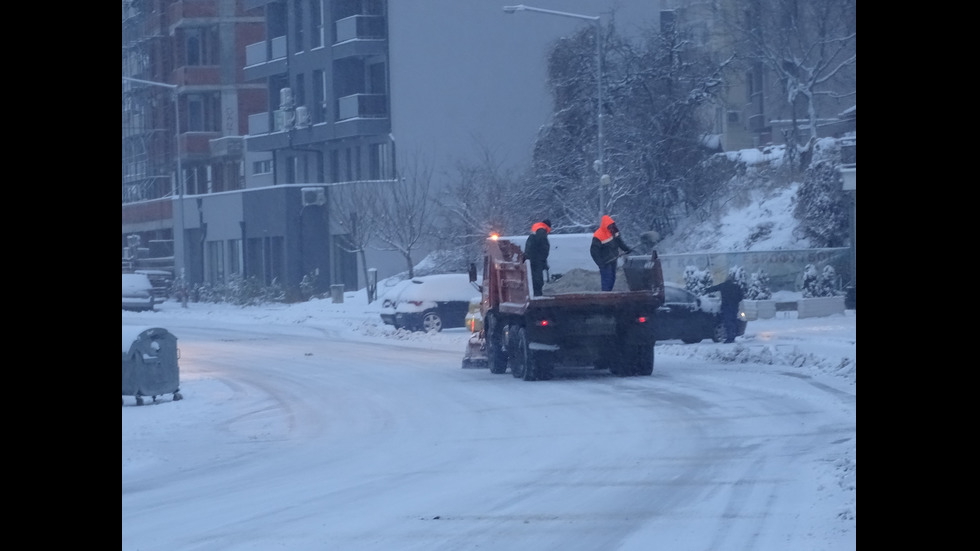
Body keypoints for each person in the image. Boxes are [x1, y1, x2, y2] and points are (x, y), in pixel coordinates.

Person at [589, 215, 633, 291]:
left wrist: (626, 249)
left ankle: (608, 294)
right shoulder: (599, 235)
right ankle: (605, 296)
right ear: (605, 225)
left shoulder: (614, 232)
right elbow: (594, 252)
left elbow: (619, 242)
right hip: (605, 262)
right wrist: (600, 263)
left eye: (612, 225)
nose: (611, 227)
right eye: (610, 226)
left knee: (612, 278)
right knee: (607, 279)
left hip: (613, 260)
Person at [705, 272, 745, 343]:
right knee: (733, 321)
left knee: (727, 322)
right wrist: (736, 301)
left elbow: (714, 288)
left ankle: (730, 338)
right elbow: (741, 296)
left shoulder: (724, 285)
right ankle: (733, 336)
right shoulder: (737, 286)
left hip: (726, 306)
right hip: (734, 307)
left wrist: (706, 289)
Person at [524, 219, 552, 297]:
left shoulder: (535, 231)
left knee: (533, 277)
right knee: (537, 278)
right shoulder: (541, 232)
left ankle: (535, 292)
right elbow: (543, 248)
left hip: (532, 258)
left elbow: (531, 247)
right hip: (536, 260)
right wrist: (543, 261)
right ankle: (538, 293)